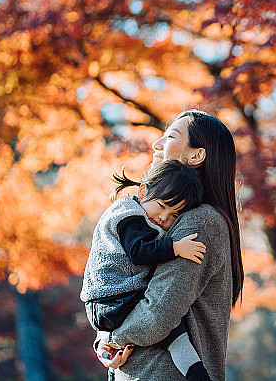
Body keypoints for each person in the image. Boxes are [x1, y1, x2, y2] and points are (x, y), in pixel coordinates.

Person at [94, 109, 244, 381]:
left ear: (196, 155)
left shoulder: (202, 221)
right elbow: (124, 288)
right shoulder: (155, 220)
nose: (156, 145)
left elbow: (157, 314)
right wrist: (104, 338)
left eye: (171, 136)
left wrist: (113, 337)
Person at [81, 159, 211, 381]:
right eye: (161, 206)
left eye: (173, 216)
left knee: (173, 333)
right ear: (143, 191)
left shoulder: (141, 216)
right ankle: (197, 374)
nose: (163, 217)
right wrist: (176, 247)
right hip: (113, 298)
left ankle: (197, 373)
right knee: (172, 328)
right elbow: (139, 252)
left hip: (108, 303)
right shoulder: (129, 216)